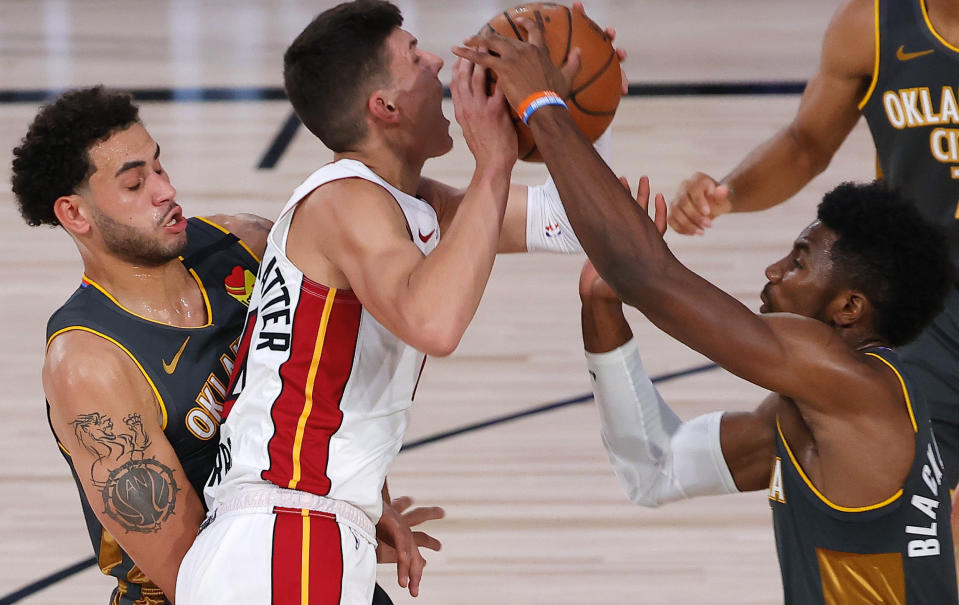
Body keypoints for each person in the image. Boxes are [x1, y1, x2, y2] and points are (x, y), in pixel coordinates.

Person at [454, 22, 959, 604]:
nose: (773, 272)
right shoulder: (819, 417)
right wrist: (603, 311)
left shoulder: (854, 388)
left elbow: (654, 276)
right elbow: (655, 467)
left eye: (798, 262)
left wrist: (544, 104)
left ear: (850, 308)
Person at [174, 2, 604, 604]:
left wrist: (558, 110)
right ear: (386, 107)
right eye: (415, 54)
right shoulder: (348, 201)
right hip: (286, 541)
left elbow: (576, 222)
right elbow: (435, 322)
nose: (438, 61)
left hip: (291, 537)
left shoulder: (407, 203)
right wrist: (496, 160)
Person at [11, 86, 441, 605]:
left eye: (159, 166)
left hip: (299, 554)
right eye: (134, 183)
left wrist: (365, 502)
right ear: (75, 215)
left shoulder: (246, 244)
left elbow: (326, 377)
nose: (164, 190)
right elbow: (191, 575)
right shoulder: (88, 363)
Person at [666, 0, 959, 550]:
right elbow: (805, 146)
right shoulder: (870, 26)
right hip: (930, 317)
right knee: (930, 522)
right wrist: (724, 196)